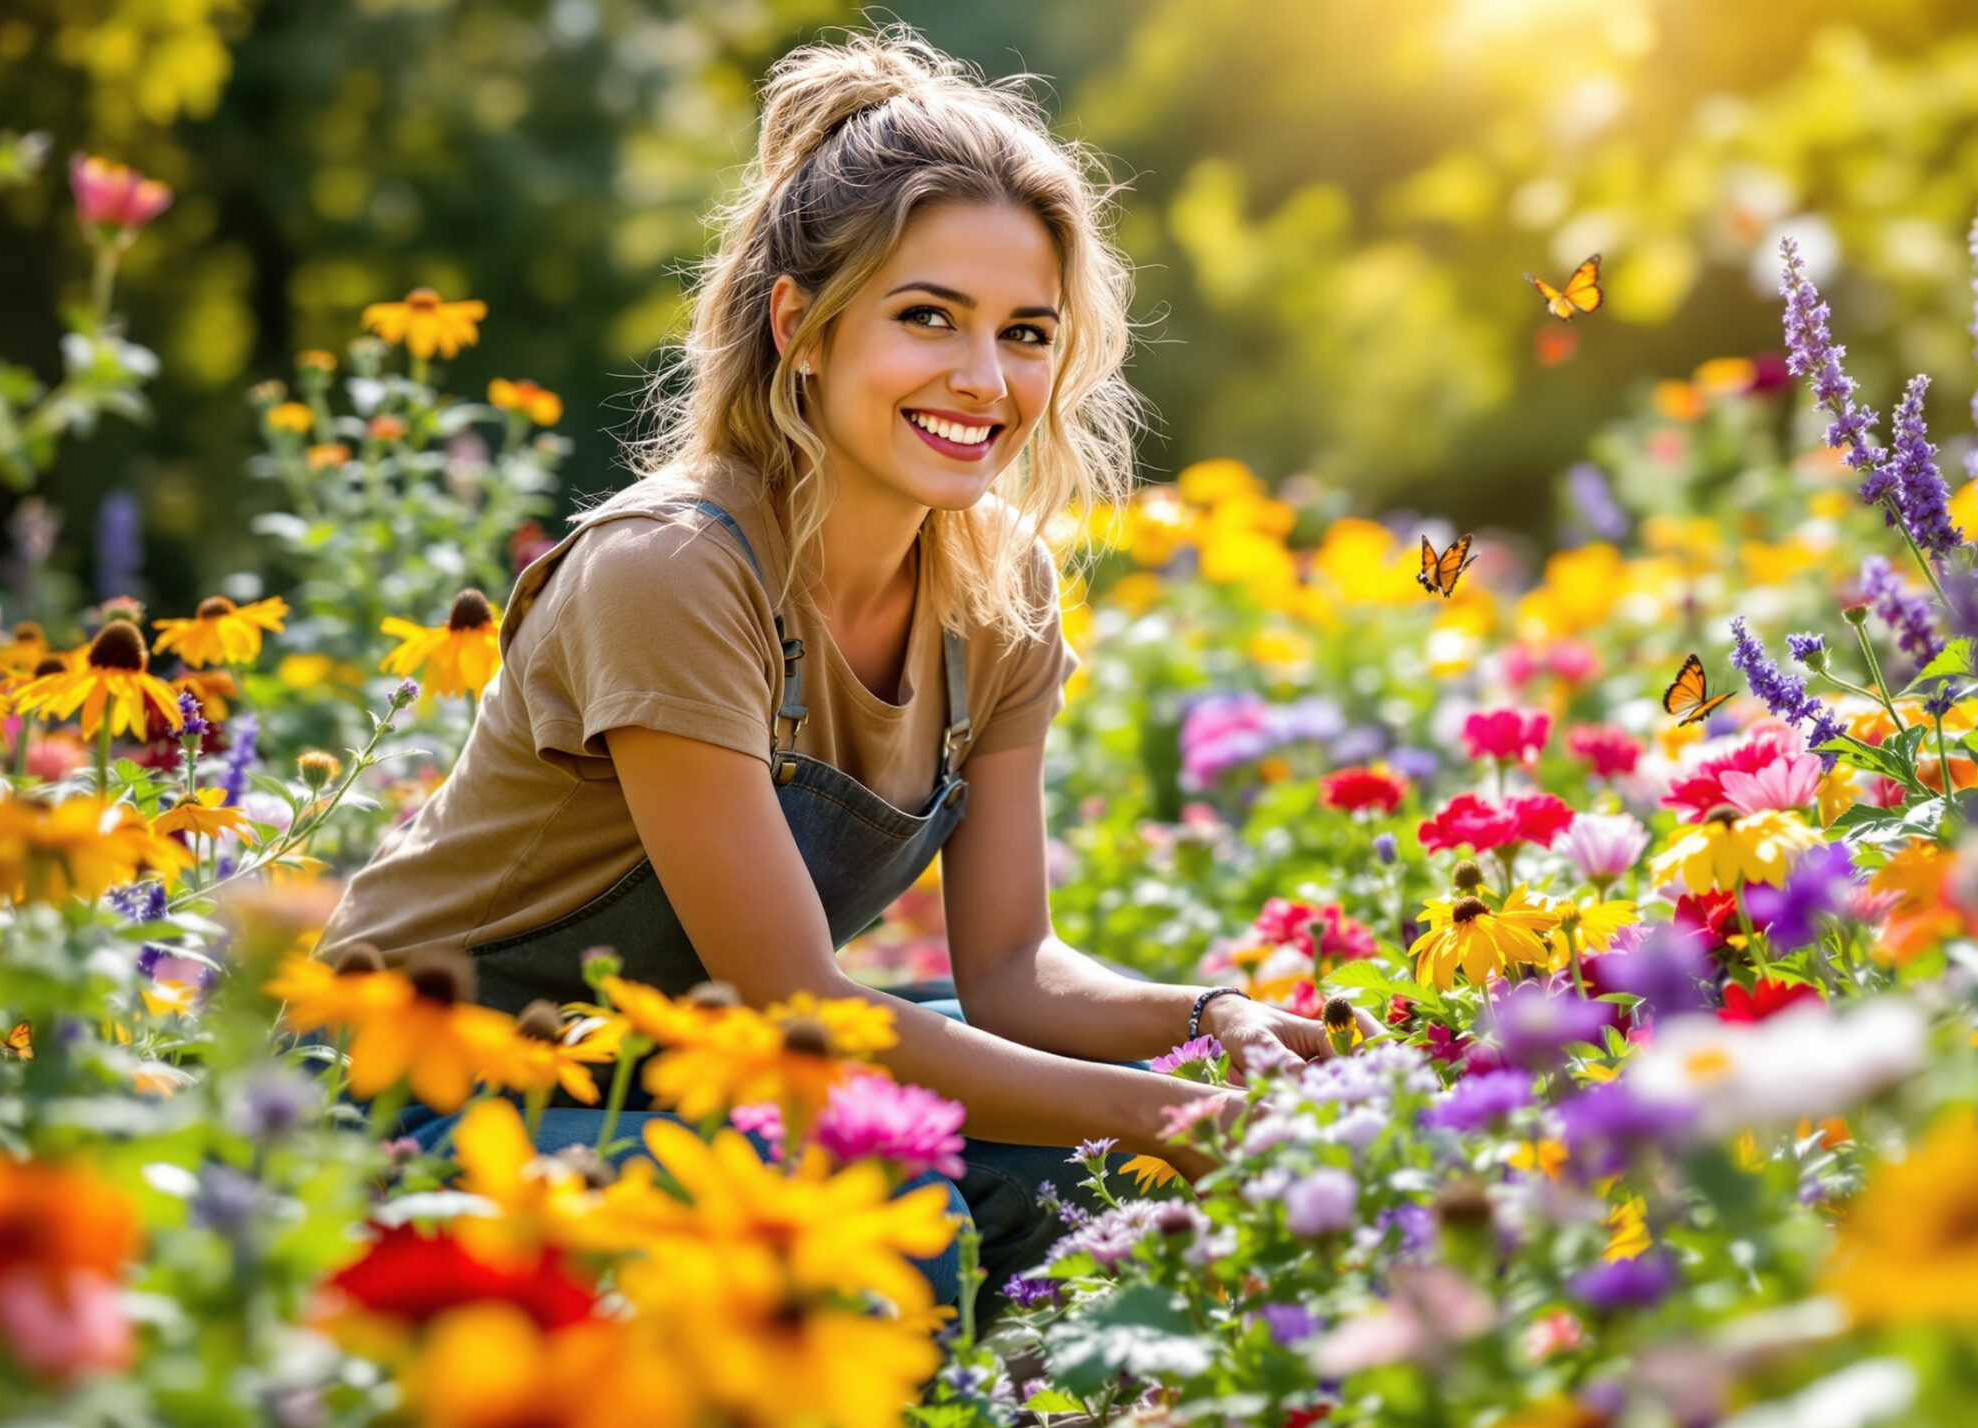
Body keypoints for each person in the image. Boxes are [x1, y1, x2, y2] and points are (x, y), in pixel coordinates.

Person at [314, 29, 1351, 1311]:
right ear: (801, 324)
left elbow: (1011, 969)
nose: (984, 379)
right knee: (889, 1213)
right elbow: (792, 996)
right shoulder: (672, 572)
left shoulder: (1001, 592)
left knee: (1079, 1165)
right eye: (928, 318)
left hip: (683, 1074)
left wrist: (1208, 1021)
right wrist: (1172, 1113)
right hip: (416, 1102)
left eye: (1026, 333)